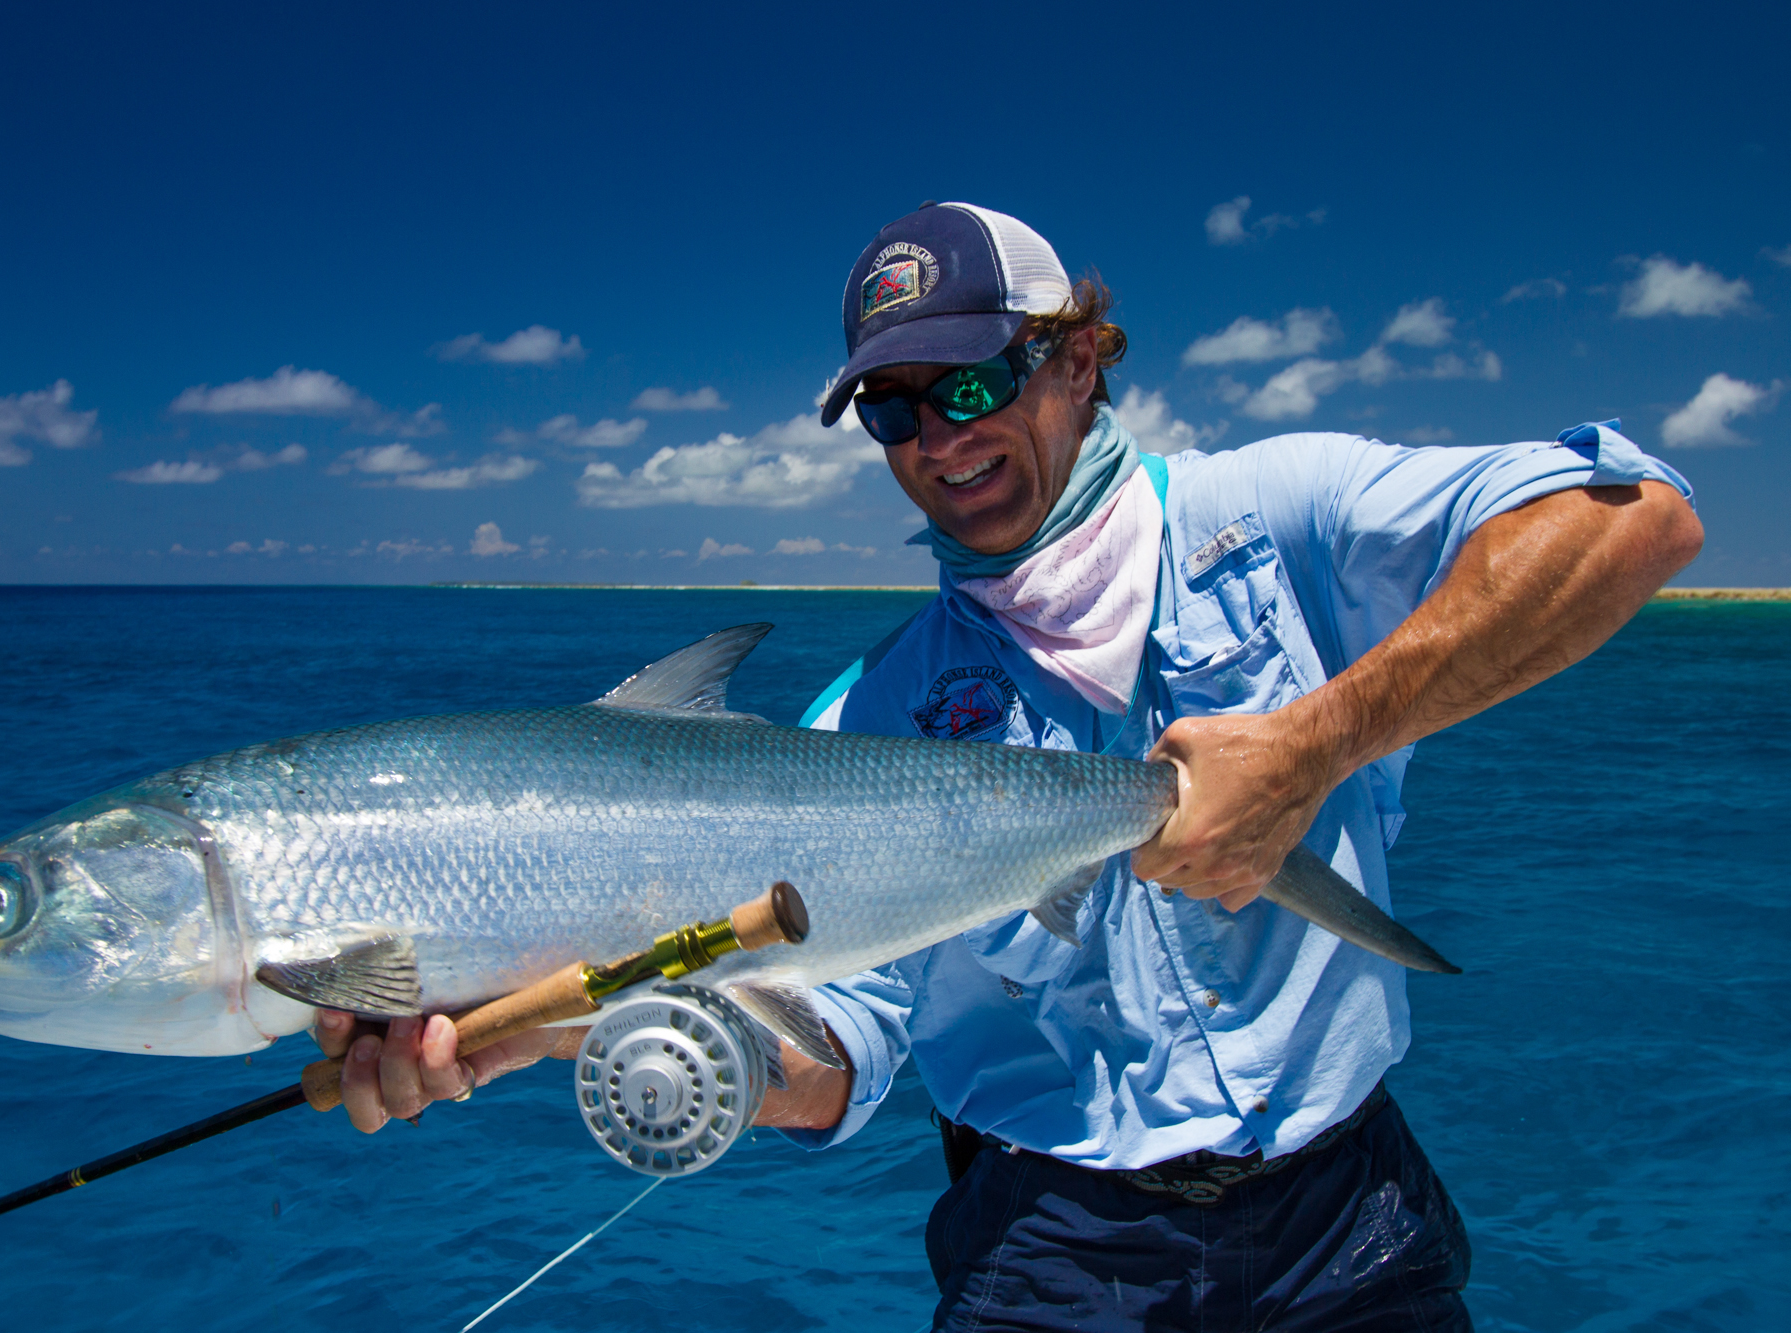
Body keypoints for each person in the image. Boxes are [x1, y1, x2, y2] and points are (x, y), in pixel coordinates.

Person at [317, 202, 1702, 1331]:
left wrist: (1315, 742)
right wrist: (565, 1034)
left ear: (1081, 361)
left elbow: (1634, 520)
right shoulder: (871, 717)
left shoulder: (1275, 518)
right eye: (895, 412)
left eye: (976, 382)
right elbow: (837, 1052)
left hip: (1349, 1219)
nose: (944, 439)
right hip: (1048, 1252)